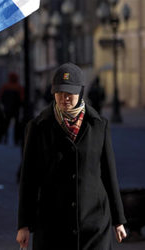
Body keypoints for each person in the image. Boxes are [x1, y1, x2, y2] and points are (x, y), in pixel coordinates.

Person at [17, 63, 127, 250]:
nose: (64, 98)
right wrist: (24, 225)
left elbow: (109, 175)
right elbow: (29, 179)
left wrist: (118, 220)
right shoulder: (38, 128)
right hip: (52, 224)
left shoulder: (99, 126)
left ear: (81, 92)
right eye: (59, 92)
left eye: (70, 93)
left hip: (94, 223)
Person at [0, 72, 24, 145]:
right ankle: (16, 140)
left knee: (6, 124)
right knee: (17, 125)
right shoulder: (19, 87)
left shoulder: (5, 86)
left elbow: (1, 97)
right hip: (16, 109)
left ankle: (5, 138)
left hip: (7, 108)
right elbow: (22, 99)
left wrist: (4, 104)